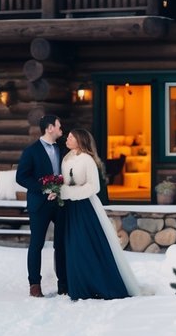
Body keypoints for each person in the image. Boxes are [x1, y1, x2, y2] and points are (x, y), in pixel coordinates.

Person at [59, 127, 139, 300]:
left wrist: (70, 193)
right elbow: (64, 181)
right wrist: (58, 190)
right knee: (73, 247)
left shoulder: (88, 160)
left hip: (85, 208)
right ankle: (79, 287)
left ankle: (98, 284)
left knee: (87, 245)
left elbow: (94, 187)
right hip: (70, 209)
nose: (67, 139)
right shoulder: (66, 158)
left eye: (71, 137)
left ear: (80, 141)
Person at [15, 113, 68, 298]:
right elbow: (21, 176)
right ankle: (34, 285)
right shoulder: (31, 151)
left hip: (61, 203)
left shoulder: (62, 149)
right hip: (39, 204)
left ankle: (64, 284)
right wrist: (43, 188)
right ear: (50, 128)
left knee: (61, 245)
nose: (61, 129)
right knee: (36, 244)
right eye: (59, 125)